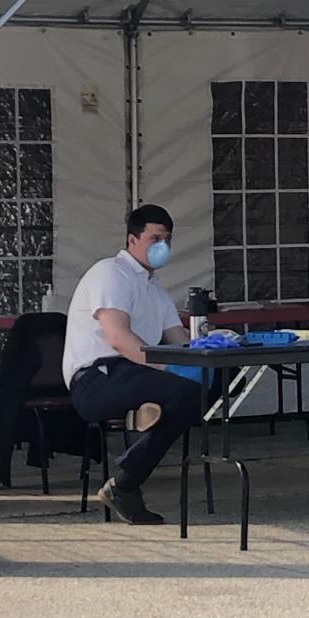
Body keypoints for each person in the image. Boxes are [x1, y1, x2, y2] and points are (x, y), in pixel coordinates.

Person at [63, 205, 200, 524]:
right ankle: (125, 481)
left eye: (167, 239)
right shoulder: (110, 273)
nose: (162, 246)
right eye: (154, 238)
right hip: (97, 378)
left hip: (135, 373)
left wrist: (214, 346)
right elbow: (118, 338)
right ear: (131, 240)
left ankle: (148, 415)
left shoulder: (155, 289)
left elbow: (179, 339)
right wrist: (169, 370)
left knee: (211, 381)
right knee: (188, 391)